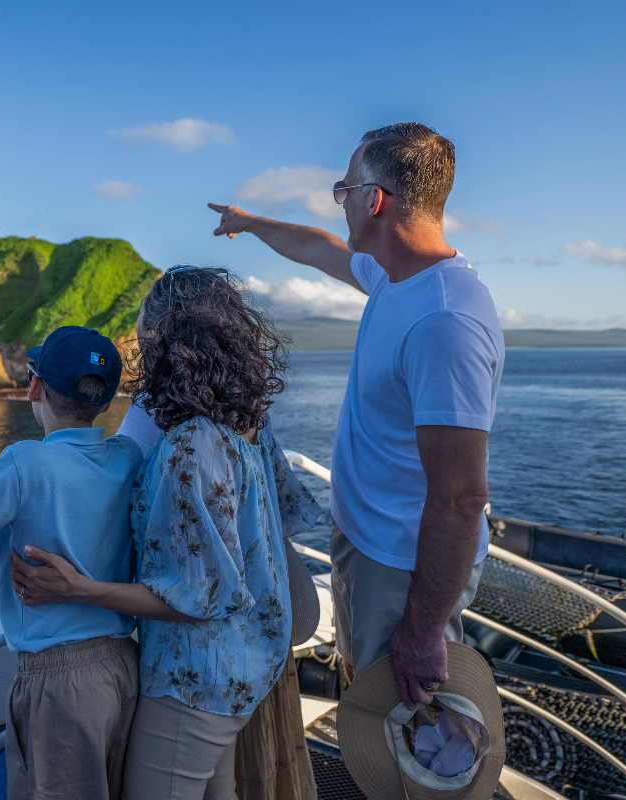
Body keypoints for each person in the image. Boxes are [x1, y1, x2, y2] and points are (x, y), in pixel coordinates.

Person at [208, 122, 505, 709]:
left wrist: (420, 631)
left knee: (407, 730)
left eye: (345, 190)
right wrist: (249, 222)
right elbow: (319, 248)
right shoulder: (397, 278)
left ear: (376, 201)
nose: (340, 203)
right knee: (374, 708)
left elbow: (461, 499)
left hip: (401, 568)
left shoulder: (443, 323)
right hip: (369, 547)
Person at [10, 268, 320, 800]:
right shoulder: (247, 421)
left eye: (143, 338)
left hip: (193, 679)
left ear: (166, 343)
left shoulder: (187, 448)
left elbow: (197, 596)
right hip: (244, 670)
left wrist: (80, 589)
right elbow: (277, 519)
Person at [0, 325, 143, 800]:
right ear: (105, 403)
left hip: (59, 681)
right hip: (123, 666)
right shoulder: (127, 457)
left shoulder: (23, 463)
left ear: (35, 387)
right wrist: (8, 536)